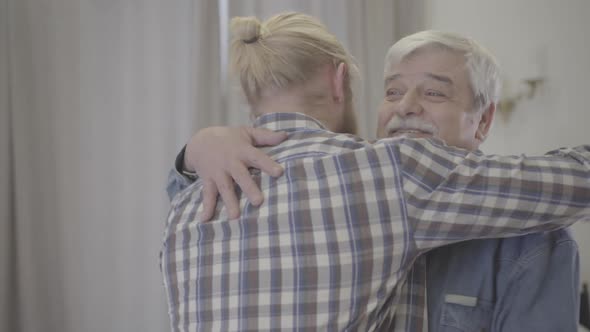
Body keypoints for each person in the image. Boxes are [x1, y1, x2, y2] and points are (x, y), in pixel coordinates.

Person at [162, 13, 590, 331]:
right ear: (340, 83)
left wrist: (193, 154)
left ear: (483, 120)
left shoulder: (535, 240)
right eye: (392, 91)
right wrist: (195, 153)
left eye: (435, 92)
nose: (405, 107)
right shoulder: (373, 179)